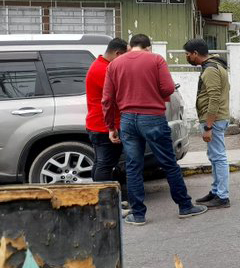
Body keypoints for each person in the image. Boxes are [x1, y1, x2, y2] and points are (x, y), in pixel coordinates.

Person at [102, 34, 207, 225]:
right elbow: (168, 89)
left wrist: (111, 127)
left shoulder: (114, 65)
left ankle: (138, 214)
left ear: (130, 47)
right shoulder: (156, 59)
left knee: (133, 167)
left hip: (127, 120)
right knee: (168, 163)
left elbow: (107, 99)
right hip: (152, 118)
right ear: (148, 47)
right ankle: (184, 206)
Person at [183, 39, 231, 209]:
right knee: (215, 157)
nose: (187, 57)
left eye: (188, 54)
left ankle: (222, 196)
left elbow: (214, 98)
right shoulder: (215, 65)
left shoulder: (210, 69)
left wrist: (208, 127)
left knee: (218, 157)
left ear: (195, 53)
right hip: (216, 119)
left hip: (214, 121)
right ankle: (216, 191)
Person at [85, 38, 128, 183]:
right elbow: (113, 99)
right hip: (104, 126)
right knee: (105, 165)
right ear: (118, 54)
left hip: (98, 124)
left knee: (101, 163)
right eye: (125, 56)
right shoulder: (103, 70)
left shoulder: (100, 65)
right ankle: (104, 201)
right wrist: (112, 127)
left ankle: (101, 199)